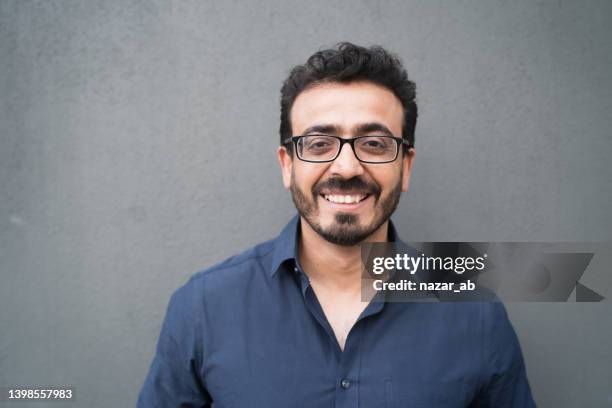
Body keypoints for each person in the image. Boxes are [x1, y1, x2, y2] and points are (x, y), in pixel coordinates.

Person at [138, 42, 535, 407]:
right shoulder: (203, 307)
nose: (346, 167)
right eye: (319, 144)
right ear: (287, 165)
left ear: (406, 167)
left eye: (375, 144)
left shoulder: (475, 313)